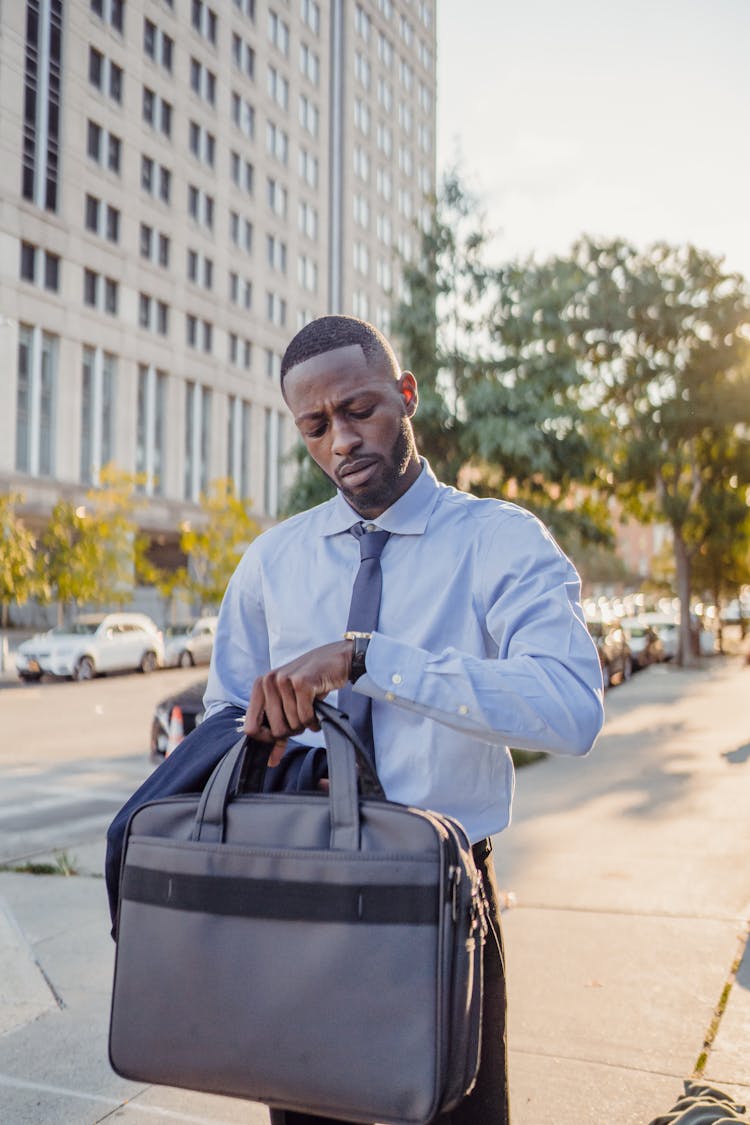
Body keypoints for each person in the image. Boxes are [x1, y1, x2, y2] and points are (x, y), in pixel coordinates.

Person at [201, 314, 605, 1125]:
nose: (341, 440)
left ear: (406, 394)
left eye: (359, 410)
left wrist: (367, 659)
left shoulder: (499, 540)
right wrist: (259, 731)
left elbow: (572, 707)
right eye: (315, 425)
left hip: (441, 905)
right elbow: (219, 716)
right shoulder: (271, 561)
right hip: (301, 900)